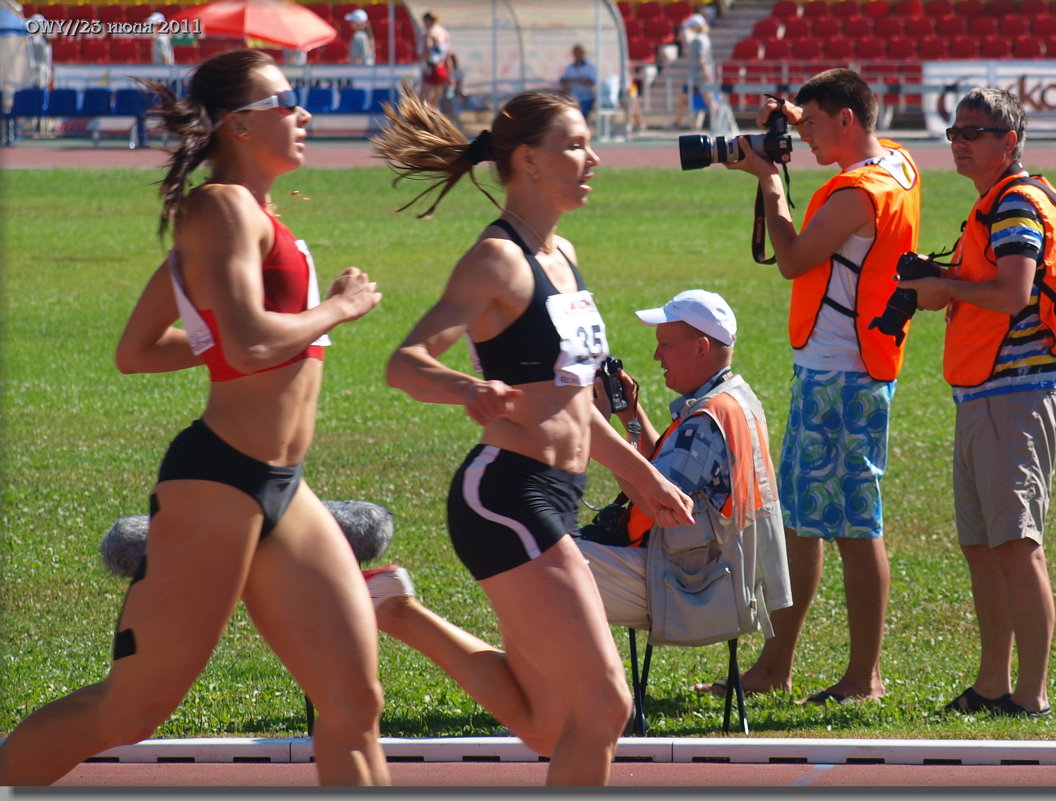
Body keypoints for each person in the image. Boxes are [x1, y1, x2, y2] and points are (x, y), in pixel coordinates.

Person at [0, 50, 389, 786]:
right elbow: (244, 345)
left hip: (283, 482)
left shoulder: (249, 216)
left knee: (353, 698)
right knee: (130, 709)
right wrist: (338, 308)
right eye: (287, 100)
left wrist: (221, 335)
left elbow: (139, 349)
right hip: (217, 484)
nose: (303, 114)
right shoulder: (220, 209)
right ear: (240, 124)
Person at [367, 85, 694, 786]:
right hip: (505, 494)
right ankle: (394, 611)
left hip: (556, 491)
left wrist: (641, 474)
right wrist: (468, 389)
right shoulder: (497, 261)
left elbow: (575, 402)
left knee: (552, 722)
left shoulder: (561, 254)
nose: (592, 157)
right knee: (605, 704)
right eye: (573, 145)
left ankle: (397, 611)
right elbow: (404, 363)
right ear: (528, 160)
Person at [695, 68, 922, 705]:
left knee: (854, 526)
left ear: (847, 121)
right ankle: (774, 667)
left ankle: (863, 679)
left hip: (841, 374)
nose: (809, 140)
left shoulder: (856, 193)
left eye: (818, 127)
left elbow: (792, 258)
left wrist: (770, 182)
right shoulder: (898, 164)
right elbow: (853, 143)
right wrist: (800, 117)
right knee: (801, 524)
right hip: (845, 367)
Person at [898, 88, 1056, 719]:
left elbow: (1014, 292)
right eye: (955, 130)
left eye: (976, 131)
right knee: (984, 548)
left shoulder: (1016, 202)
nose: (961, 141)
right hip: (983, 394)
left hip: (1015, 394)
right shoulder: (992, 205)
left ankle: (1031, 694)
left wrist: (940, 285)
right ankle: (993, 683)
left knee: (1017, 546)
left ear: (1010, 140)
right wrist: (943, 288)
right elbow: (984, 290)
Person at [576, 290, 792, 649]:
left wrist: (599, 432)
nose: (656, 356)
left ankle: (573, 693)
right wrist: (630, 415)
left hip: (691, 584)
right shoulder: (733, 399)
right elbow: (661, 473)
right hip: (720, 574)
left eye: (665, 345)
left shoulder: (705, 422)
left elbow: (653, 500)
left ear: (701, 348)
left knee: (543, 561)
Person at [673, 14, 717, 130]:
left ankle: (717, 121)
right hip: (696, 75)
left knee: (708, 99)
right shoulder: (703, 38)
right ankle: (677, 122)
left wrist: (706, 74)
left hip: (698, 76)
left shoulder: (699, 39)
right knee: (685, 98)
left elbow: (701, 58)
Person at [418, 10, 450, 109]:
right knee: (435, 101)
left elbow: (428, 50)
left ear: (428, 21)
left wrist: (421, 58)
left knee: (423, 101)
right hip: (442, 68)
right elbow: (447, 54)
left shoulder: (429, 33)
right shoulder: (444, 32)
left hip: (432, 68)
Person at [559, 44, 598, 122]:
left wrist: (574, 80)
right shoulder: (569, 68)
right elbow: (563, 80)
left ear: (583, 53)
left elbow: (591, 81)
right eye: (575, 53)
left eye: (579, 53)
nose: (577, 55)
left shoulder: (590, 67)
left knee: (583, 121)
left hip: (586, 99)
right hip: (572, 99)